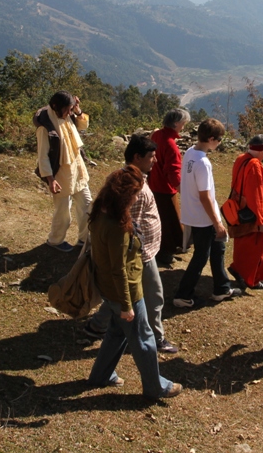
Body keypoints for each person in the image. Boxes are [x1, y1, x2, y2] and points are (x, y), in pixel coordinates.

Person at [86, 164, 183, 399]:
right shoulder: (117, 227)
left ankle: (101, 375)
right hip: (125, 291)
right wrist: (127, 305)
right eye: (136, 194)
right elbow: (119, 269)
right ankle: (155, 386)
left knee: (117, 333)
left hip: (109, 288)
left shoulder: (100, 213)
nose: (139, 198)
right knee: (143, 337)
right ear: (126, 196)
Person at [83, 135, 179, 353]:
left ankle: (96, 326)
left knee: (123, 295)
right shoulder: (130, 187)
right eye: (151, 157)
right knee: (154, 298)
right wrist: (137, 251)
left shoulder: (130, 178)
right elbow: (126, 222)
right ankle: (156, 337)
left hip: (145, 251)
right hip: (140, 255)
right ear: (137, 157)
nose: (155, 161)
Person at [172, 118, 241, 308]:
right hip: (203, 218)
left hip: (193, 214)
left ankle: (222, 288)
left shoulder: (190, 153)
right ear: (211, 139)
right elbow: (205, 197)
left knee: (218, 249)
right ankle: (183, 295)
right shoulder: (203, 162)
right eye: (219, 140)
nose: (219, 143)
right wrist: (217, 223)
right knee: (201, 256)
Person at [35, 90, 91, 252]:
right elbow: (43, 156)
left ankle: (84, 239)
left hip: (77, 169)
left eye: (70, 109)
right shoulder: (45, 126)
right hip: (61, 174)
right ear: (55, 106)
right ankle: (55, 240)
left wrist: (77, 110)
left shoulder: (67, 115)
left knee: (87, 206)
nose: (69, 113)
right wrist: (50, 179)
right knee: (63, 212)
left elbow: (83, 125)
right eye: (67, 109)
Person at [226, 134, 263, 290]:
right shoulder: (255, 166)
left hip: (241, 209)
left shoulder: (240, 159)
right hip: (253, 214)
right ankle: (252, 278)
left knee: (244, 244)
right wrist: (261, 220)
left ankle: (239, 269)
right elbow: (255, 194)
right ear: (261, 150)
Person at [149, 108, 190, 266]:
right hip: (165, 188)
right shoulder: (170, 144)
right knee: (169, 220)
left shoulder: (157, 135)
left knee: (161, 219)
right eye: (183, 123)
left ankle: (168, 248)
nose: (184, 126)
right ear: (176, 123)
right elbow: (172, 170)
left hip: (154, 184)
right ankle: (165, 252)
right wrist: (180, 188)